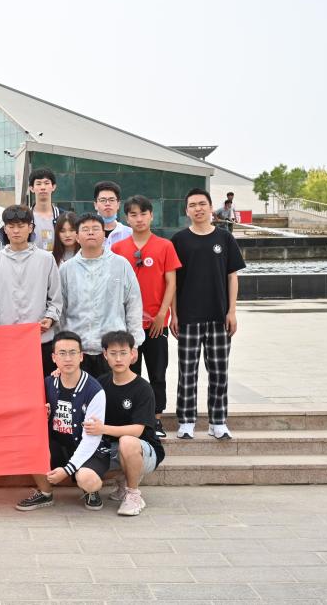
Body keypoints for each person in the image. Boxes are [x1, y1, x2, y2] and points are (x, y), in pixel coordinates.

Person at [171, 188, 246, 440]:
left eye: (202, 204)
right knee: (187, 373)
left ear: (211, 207)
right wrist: (174, 314)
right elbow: (172, 282)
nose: (198, 209)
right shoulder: (179, 240)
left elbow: (232, 277)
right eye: (192, 205)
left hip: (218, 317)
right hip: (188, 317)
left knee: (219, 372)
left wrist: (232, 311)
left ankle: (218, 421)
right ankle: (186, 421)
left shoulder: (224, 238)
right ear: (186, 211)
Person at [111, 196, 181, 437]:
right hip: (127, 326)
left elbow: (171, 283)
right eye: (133, 215)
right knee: (129, 372)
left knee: (157, 372)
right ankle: (132, 419)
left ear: (151, 216)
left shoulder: (165, 246)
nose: (139, 219)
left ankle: (156, 419)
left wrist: (163, 314)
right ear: (126, 218)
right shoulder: (118, 248)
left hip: (156, 324)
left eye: (143, 214)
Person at [15, 331, 106, 512]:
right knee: (29, 443)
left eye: (73, 353)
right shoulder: (48, 383)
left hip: (87, 448)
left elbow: (92, 438)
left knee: (88, 479)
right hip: (58, 445)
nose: (68, 358)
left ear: (81, 356)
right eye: (62, 353)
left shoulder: (94, 390)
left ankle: (91, 491)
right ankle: (45, 493)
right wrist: (44, 416)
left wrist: (67, 470)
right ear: (54, 357)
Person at [83, 331, 166, 516]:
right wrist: (59, 373)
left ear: (133, 354)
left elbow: (137, 430)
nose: (118, 358)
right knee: (85, 470)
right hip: (112, 448)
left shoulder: (143, 388)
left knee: (127, 441)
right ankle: (123, 480)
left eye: (123, 353)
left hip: (144, 450)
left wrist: (103, 429)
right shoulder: (101, 383)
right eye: (113, 353)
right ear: (105, 355)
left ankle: (133, 494)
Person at [59, 213, 144, 378]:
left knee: (113, 393)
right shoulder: (66, 269)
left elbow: (133, 304)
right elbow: (61, 311)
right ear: (77, 237)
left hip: (113, 349)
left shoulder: (121, 264)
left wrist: (134, 343)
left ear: (104, 235)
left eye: (95, 228)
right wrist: (63, 345)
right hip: (78, 350)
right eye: (85, 229)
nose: (91, 232)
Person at [0, 204, 62, 375]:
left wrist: (49, 318)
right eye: (11, 226)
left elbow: (55, 297)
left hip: (40, 339)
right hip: (5, 339)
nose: (16, 231)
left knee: (41, 386)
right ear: (5, 229)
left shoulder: (46, 259)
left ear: (30, 227)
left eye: (21, 226)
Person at [28, 168, 61, 253]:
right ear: (31, 188)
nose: (43, 187)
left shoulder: (62, 216)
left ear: (53, 187)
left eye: (46, 183)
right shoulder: (25, 217)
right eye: (38, 184)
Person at [93, 180, 133, 250]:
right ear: (95, 205)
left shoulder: (130, 234)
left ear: (118, 205)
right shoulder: (88, 233)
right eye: (103, 200)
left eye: (111, 200)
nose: (107, 203)